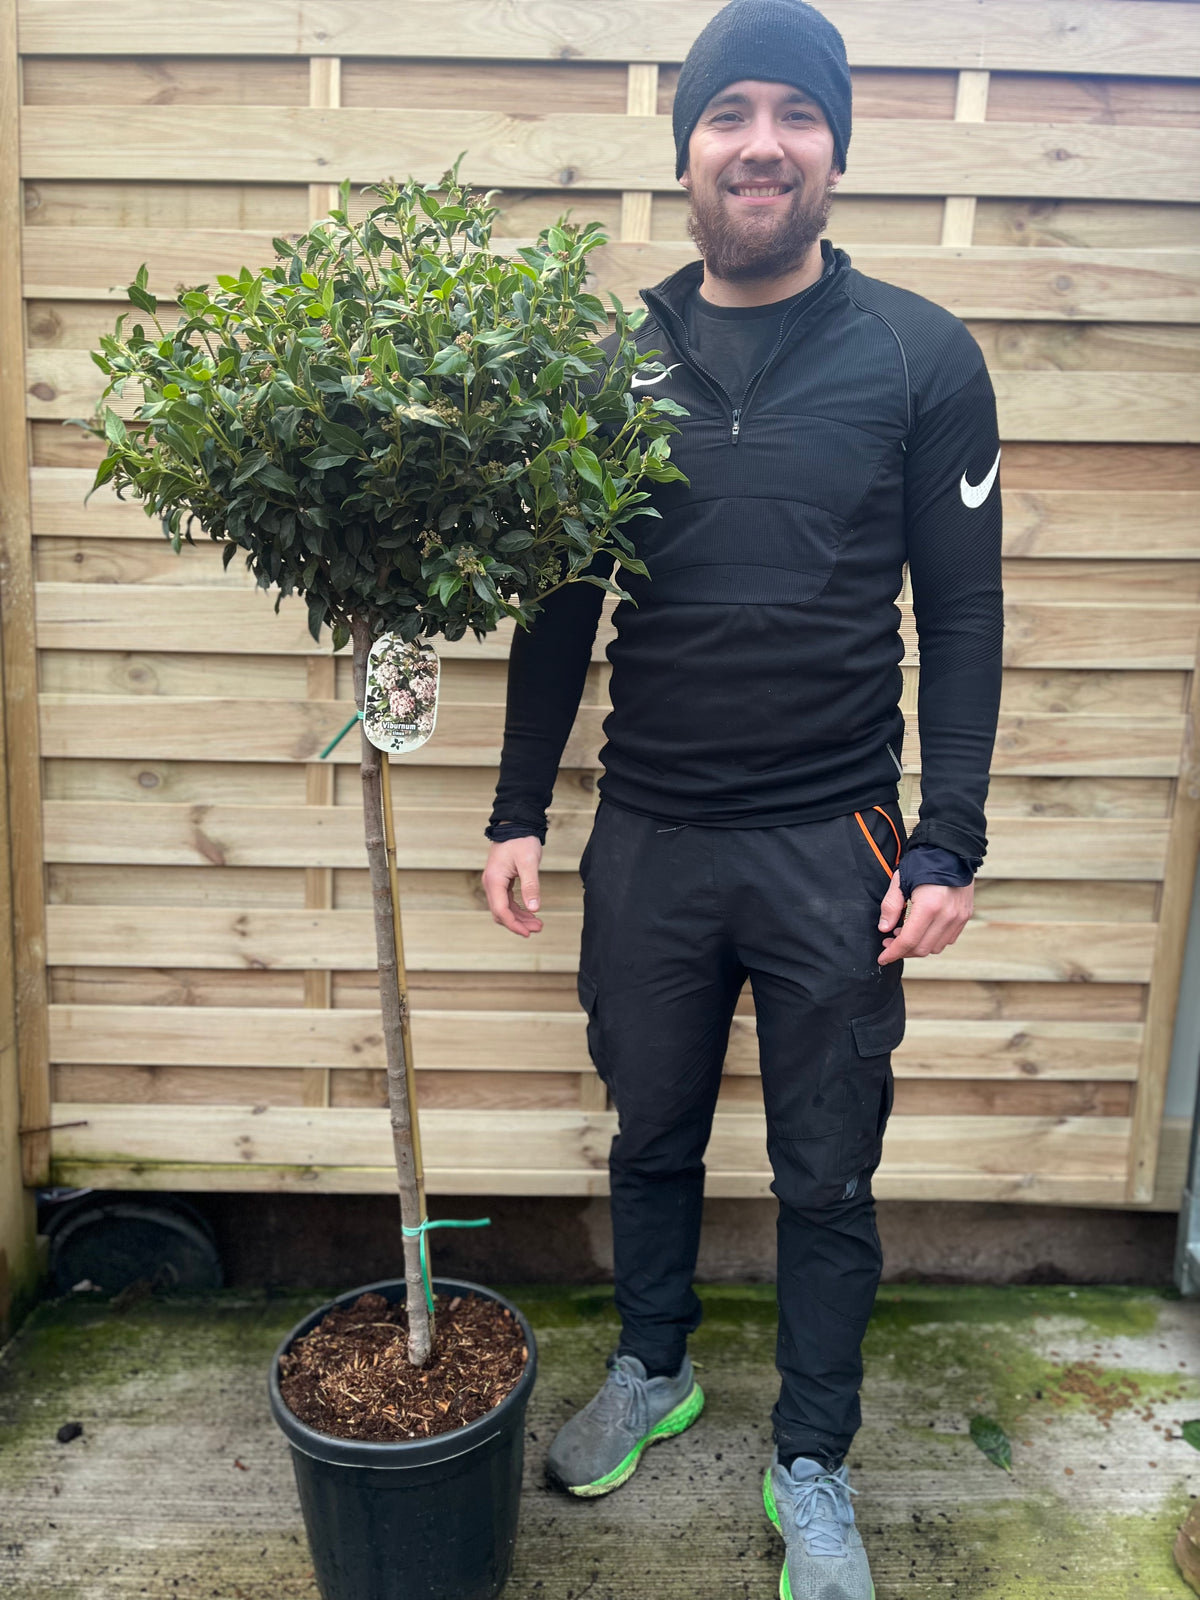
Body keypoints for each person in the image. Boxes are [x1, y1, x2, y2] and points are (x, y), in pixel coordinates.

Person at [480, 1, 1003, 1593]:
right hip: (649, 836)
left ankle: (813, 1461)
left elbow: (964, 613)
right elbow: (559, 606)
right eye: (729, 114)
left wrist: (950, 841)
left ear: (833, 149)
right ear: (687, 148)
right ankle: (654, 1363)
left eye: (795, 113)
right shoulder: (605, 366)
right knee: (649, 1127)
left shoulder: (921, 356)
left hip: (835, 845)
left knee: (827, 1168)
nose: (761, 143)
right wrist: (518, 811)